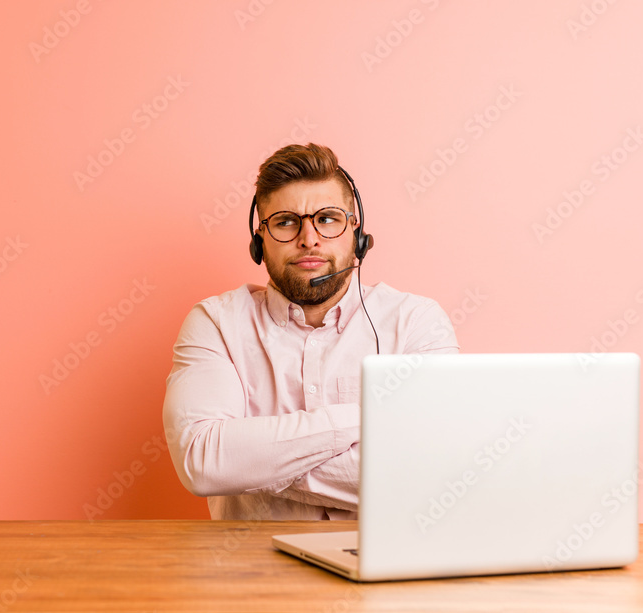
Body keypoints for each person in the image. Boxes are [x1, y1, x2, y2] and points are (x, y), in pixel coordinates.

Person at [162, 143, 460, 520]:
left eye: (328, 218)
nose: (309, 238)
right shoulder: (216, 323)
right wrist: (368, 416)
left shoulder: (415, 321)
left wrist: (251, 463)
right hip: (252, 575)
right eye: (286, 221)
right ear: (259, 239)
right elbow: (203, 463)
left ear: (356, 231)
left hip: (383, 573)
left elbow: (436, 472)